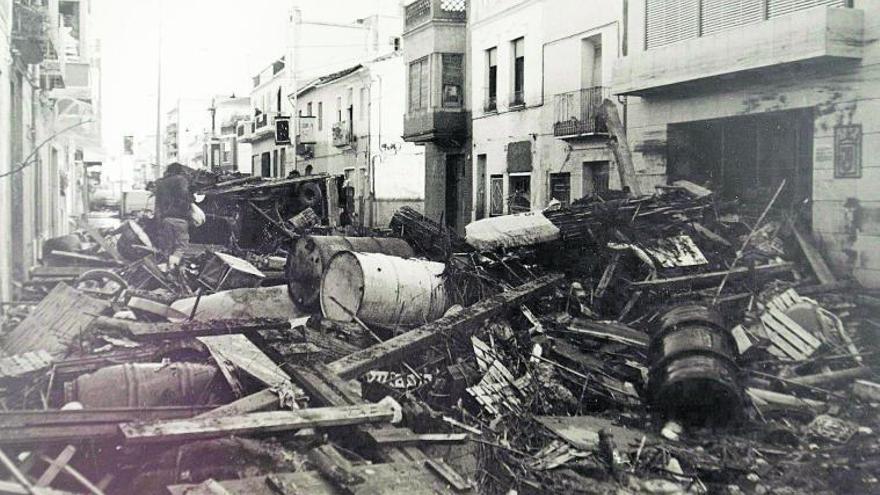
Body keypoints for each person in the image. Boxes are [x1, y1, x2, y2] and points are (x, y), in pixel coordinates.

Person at [153, 162, 192, 267]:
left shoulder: (161, 183)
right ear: (179, 170)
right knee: (180, 247)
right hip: (180, 219)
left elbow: (157, 205)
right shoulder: (182, 180)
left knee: (167, 248)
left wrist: (159, 220)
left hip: (166, 220)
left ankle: (165, 272)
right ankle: (172, 270)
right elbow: (185, 198)